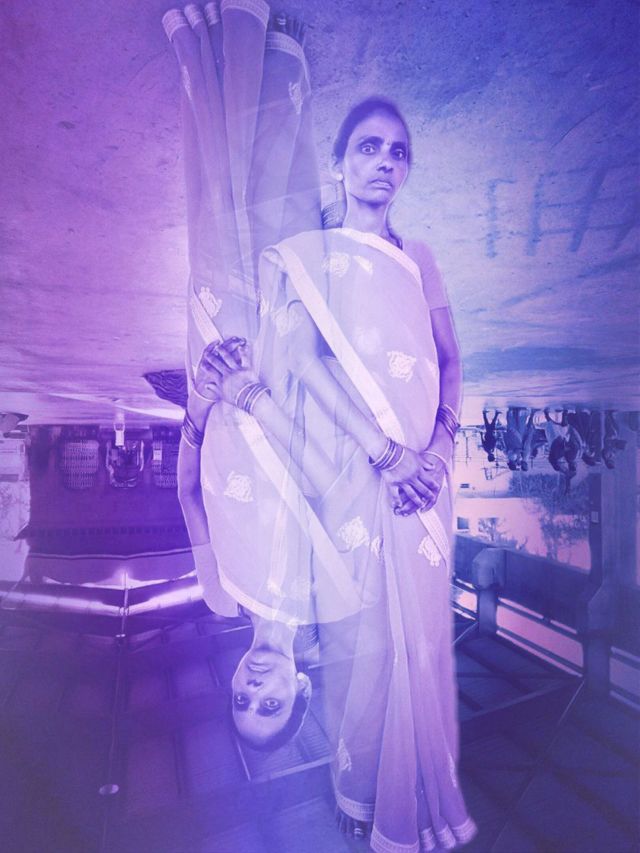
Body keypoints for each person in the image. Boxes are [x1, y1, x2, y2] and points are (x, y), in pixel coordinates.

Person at [192, 97, 477, 851]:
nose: (385, 163)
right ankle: (373, 789)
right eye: (368, 148)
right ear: (342, 162)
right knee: (395, 638)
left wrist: (435, 449)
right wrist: (397, 458)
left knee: (403, 631)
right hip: (374, 462)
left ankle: (377, 791)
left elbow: (450, 361)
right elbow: (307, 360)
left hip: (409, 464)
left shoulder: (416, 258)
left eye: (397, 152)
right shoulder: (316, 256)